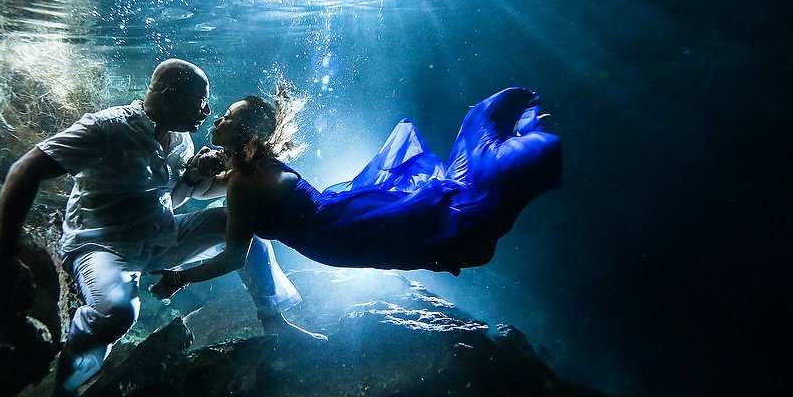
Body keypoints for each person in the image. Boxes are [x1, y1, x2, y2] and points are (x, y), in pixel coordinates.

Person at [0, 58, 316, 397]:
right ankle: (71, 374)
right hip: (104, 245)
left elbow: (176, 195)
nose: (207, 112)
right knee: (117, 313)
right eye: (200, 101)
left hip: (163, 234)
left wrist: (201, 177)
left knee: (246, 229)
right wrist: (4, 253)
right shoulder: (106, 129)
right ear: (170, 96)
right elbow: (24, 170)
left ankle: (273, 320)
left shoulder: (181, 139)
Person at [148, 84, 562, 300]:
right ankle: (512, 146)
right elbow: (213, 190)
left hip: (336, 232)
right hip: (340, 216)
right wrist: (197, 171)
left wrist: (181, 279)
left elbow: (235, 254)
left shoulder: (243, 182)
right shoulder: (250, 169)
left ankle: (509, 164)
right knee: (441, 221)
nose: (216, 120)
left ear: (245, 134)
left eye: (225, 117)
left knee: (446, 224)